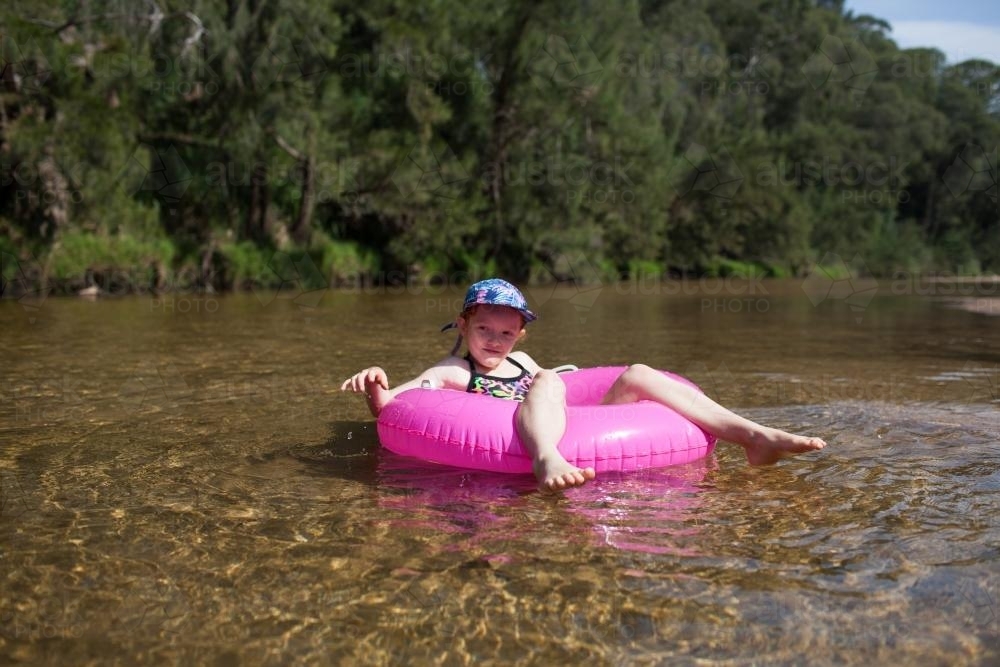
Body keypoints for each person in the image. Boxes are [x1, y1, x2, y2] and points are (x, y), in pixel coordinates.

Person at [341, 278, 826, 492]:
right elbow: (397, 405)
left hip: (566, 420)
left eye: (507, 333)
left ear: (521, 334)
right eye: (484, 329)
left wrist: (556, 380)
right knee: (549, 378)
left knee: (636, 372)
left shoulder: (526, 360)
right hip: (524, 440)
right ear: (463, 326)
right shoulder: (456, 371)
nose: (495, 340)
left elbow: (571, 394)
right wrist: (378, 387)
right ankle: (547, 457)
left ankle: (753, 437)